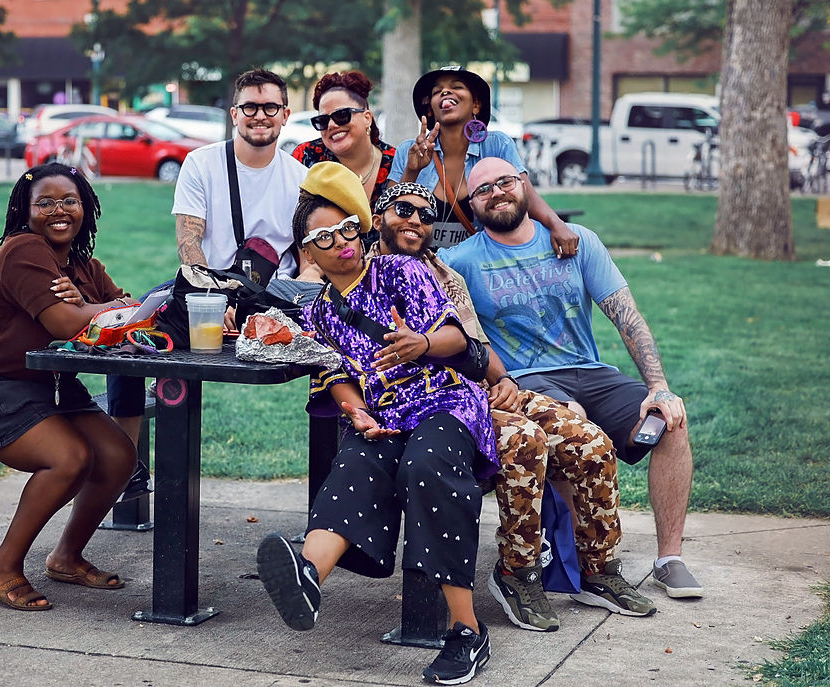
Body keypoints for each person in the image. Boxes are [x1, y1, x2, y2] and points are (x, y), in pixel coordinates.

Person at [368, 182, 656, 629]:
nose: (415, 221)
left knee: (591, 442)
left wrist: (500, 379)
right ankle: (517, 573)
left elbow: (477, 343)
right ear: (378, 217)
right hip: (422, 406)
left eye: (426, 216)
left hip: (481, 391)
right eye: (403, 210)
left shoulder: (447, 276)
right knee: (525, 441)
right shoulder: (360, 271)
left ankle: (597, 570)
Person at [256, 162, 497, 685]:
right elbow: (333, 372)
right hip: (384, 417)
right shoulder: (318, 312)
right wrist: (354, 409)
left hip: (445, 402)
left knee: (426, 468)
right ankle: (306, 575)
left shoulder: (400, 271)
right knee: (355, 462)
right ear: (307, 253)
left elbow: (457, 339)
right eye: (323, 236)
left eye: (347, 228)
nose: (340, 241)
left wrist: (423, 344)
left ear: (360, 229)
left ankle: (466, 631)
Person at [440, 157, 704, 599]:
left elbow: (627, 318)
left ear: (524, 184)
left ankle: (669, 559)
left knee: (670, 419)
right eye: (482, 190)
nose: (496, 193)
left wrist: (658, 386)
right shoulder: (459, 260)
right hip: (524, 379)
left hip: (591, 370)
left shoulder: (577, 241)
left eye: (504, 181)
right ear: (472, 204)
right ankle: (578, 562)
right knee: (571, 418)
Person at [0, 163, 138, 611]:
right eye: (45, 202)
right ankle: (0, 566)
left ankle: (66, 556)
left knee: (119, 455)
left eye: (70, 201)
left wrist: (97, 305)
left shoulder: (81, 264)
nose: (59, 210)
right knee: (69, 458)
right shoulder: (23, 250)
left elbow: (130, 317)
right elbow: (67, 321)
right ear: (25, 210)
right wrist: (105, 308)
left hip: (49, 385)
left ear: (85, 207)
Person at [106, 68, 308, 445]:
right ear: (234, 114)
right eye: (250, 107)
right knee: (130, 336)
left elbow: (307, 258)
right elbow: (188, 241)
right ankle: (125, 458)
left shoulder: (300, 178)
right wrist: (213, 300)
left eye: (269, 107)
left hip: (272, 297)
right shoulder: (202, 163)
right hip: (206, 287)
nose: (259, 116)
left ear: (284, 114)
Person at [389, 65, 578, 256]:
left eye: (457, 87)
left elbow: (525, 194)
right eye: (437, 91)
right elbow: (388, 216)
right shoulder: (409, 150)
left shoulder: (496, 144)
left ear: (476, 105)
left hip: (481, 263)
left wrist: (557, 224)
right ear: (430, 110)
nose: (446, 91)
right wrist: (412, 171)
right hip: (422, 265)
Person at [292, 70, 395, 222]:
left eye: (341, 115)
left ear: (367, 118)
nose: (332, 125)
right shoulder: (306, 157)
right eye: (323, 120)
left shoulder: (397, 162)